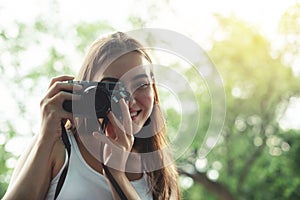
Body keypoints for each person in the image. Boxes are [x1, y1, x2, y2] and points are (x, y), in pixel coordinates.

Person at [3, 32, 180, 199]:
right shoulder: (58, 146)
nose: (129, 101)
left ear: (154, 90)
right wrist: (45, 138)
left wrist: (116, 175)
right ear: (87, 90)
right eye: (113, 87)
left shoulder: (156, 164)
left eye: (141, 84)